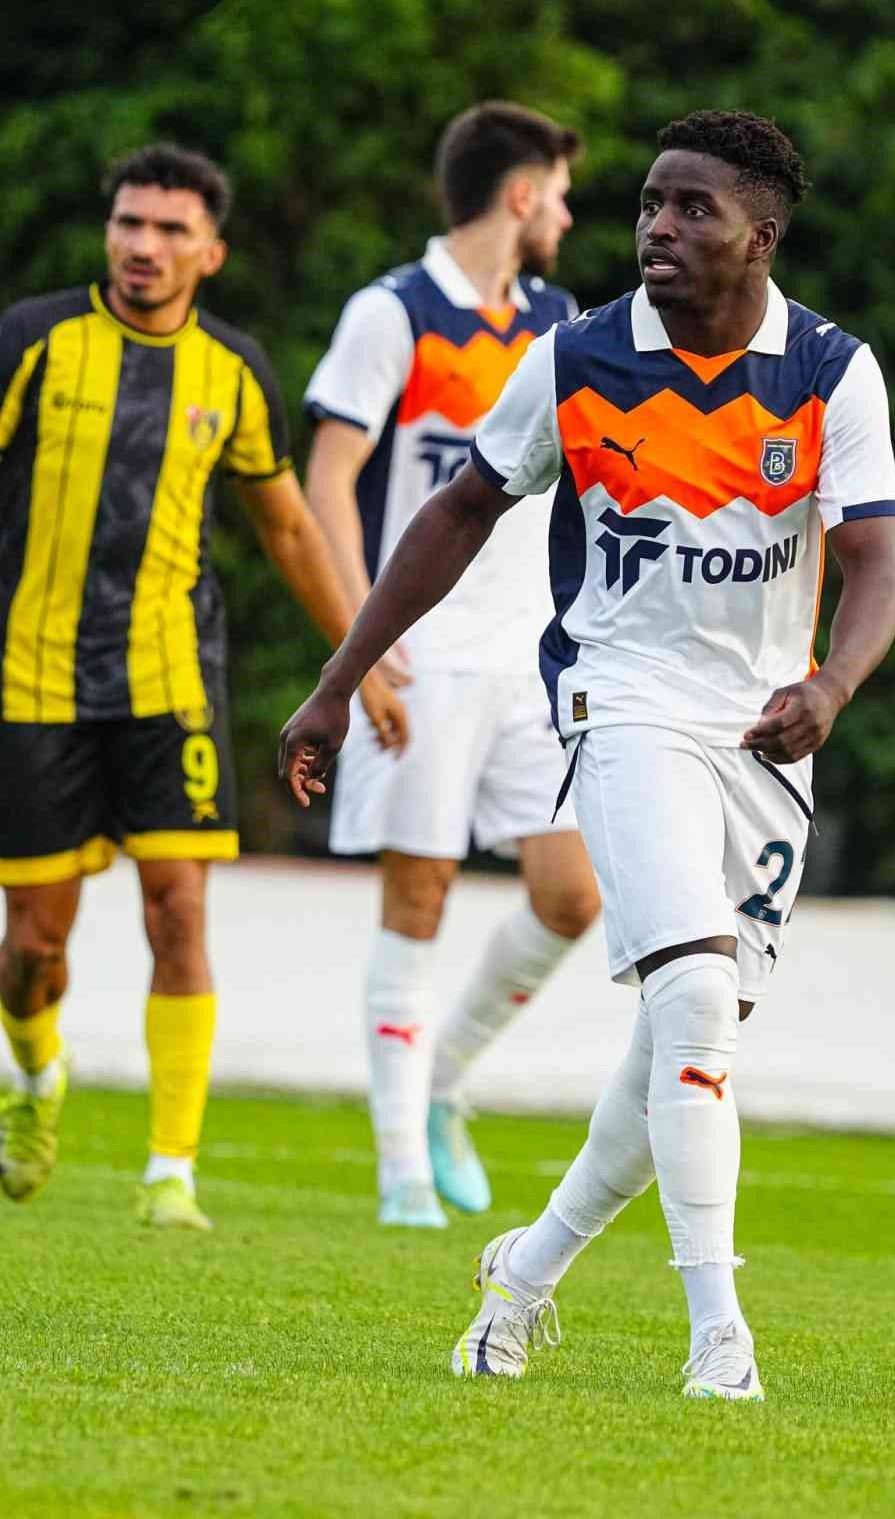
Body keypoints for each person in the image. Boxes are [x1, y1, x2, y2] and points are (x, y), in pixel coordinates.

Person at [279, 110, 895, 1398]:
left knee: (687, 1029)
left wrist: (831, 684)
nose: (656, 228)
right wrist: (340, 679)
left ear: (761, 236)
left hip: (764, 736)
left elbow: (876, 566)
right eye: (648, 204)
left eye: (692, 209)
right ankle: (718, 1334)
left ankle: (523, 1274)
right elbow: (458, 511)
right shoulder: (575, 358)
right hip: (618, 703)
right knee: (692, 1000)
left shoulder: (832, 372)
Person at [0, 143, 407, 1230]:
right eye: (129, 223)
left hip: (171, 680)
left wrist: (358, 665)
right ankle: (35, 1073)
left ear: (210, 252)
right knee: (33, 947)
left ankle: (170, 1171)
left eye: (170, 229)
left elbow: (289, 528)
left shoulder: (232, 370)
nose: (143, 245)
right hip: (31, 679)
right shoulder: (32, 341)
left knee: (177, 908)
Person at [302, 102, 601, 1230]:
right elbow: (328, 481)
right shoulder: (393, 312)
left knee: (572, 897)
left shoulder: (561, 323)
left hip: (535, 656)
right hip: (421, 652)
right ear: (520, 194)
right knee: (417, 898)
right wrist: (360, 648)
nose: (567, 216)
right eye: (559, 194)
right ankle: (401, 1178)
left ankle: (441, 1083)